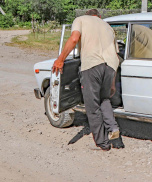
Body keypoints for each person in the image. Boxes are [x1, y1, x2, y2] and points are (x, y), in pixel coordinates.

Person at [52, 9, 123, 151]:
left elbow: (74, 39)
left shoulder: (81, 19)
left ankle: (102, 143)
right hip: (110, 66)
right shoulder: (107, 26)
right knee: (104, 99)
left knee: (92, 106)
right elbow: (115, 53)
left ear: (88, 14)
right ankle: (113, 128)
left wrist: (60, 60)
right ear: (99, 16)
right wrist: (113, 82)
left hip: (92, 65)